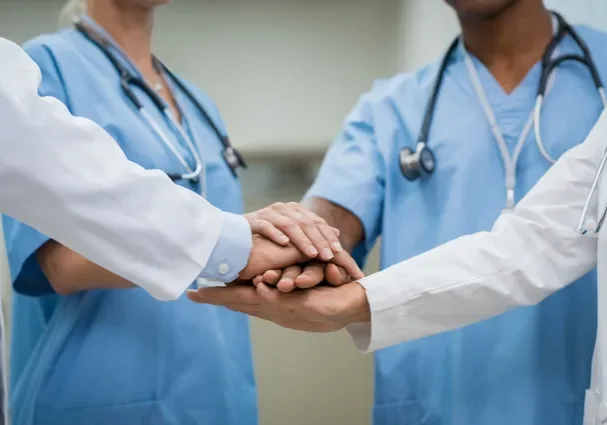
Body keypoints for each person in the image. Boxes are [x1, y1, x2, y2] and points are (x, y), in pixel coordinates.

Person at [193, 2, 607, 425]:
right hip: (434, 401)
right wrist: (299, 243)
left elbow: (537, 243)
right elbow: (334, 212)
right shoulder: (391, 108)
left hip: (572, 397)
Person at [2, 1, 361, 424]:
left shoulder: (196, 102)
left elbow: (233, 241)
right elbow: (60, 263)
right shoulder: (43, 68)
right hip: (101, 394)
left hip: (216, 391)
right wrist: (236, 253)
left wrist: (275, 254)